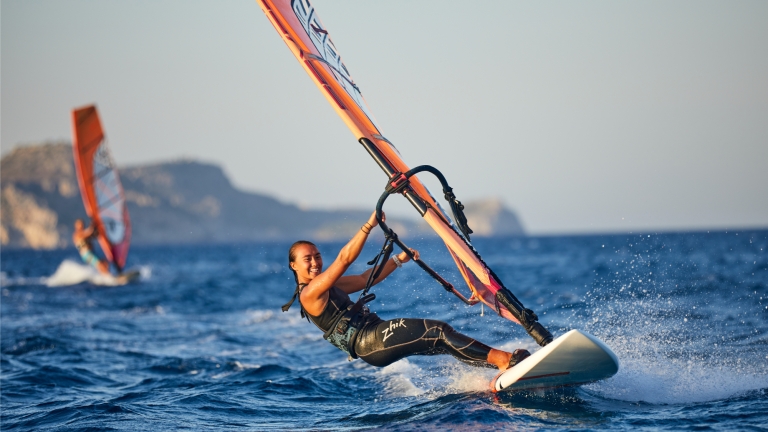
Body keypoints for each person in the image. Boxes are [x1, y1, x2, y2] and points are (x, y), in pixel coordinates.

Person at [283, 211, 531, 371]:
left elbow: (364, 278)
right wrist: (369, 225)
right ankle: (505, 361)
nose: (315, 262)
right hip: (368, 342)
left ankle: (499, 369)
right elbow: (344, 259)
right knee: (438, 330)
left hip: (373, 334)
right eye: (307, 259)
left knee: (441, 340)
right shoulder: (309, 294)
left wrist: (398, 260)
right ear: (294, 266)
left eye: (317, 256)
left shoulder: (329, 286)